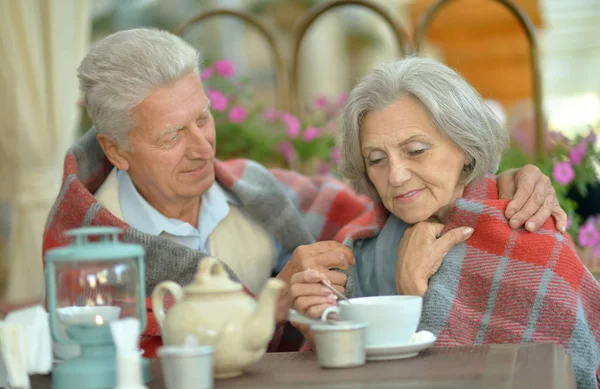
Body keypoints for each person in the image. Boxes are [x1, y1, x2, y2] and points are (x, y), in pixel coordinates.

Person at [43, 28, 565, 357]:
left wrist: (506, 180)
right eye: (171, 136)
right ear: (114, 150)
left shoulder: (259, 192)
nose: (202, 147)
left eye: (203, 117)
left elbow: (385, 210)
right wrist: (270, 305)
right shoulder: (86, 253)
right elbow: (131, 367)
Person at [289, 57, 600, 389]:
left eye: (416, 151)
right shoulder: (355, 246)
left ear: (465, 147)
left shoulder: (532, 237)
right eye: (376, 159)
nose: (396, 176)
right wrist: (323, 329)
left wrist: (413, 298)